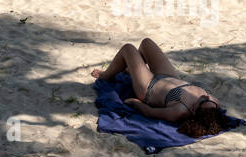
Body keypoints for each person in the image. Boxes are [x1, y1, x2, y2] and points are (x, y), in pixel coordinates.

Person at [92, 38, 229, 138]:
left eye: (201, 101)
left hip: (148, 87)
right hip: (169, 77)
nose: (204, 96)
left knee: (128, 48)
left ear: (193, 110)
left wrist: (135, 102)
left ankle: (106, 76)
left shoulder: (179, 111)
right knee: (146, 43)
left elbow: (150, 112)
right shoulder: (212, 102)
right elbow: (209, 105)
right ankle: (130, 70)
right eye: (206, 99)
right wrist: (207, 102)